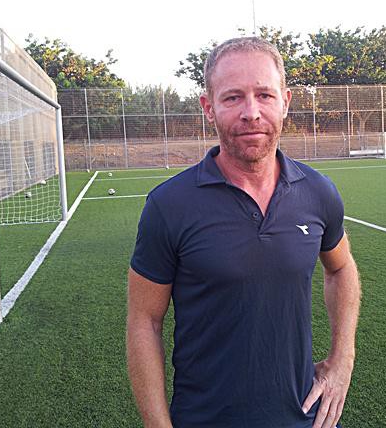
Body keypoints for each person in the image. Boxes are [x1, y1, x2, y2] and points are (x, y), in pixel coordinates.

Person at [127, 37, 361, 428]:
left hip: (306, 417)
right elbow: (144, 322)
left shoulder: (318, 192)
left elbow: (341, 268)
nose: (251, 112)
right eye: (233, 97)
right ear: (209, 107)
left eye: (264, 95)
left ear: (285, 101)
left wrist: (343, 359)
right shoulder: (169, 205)